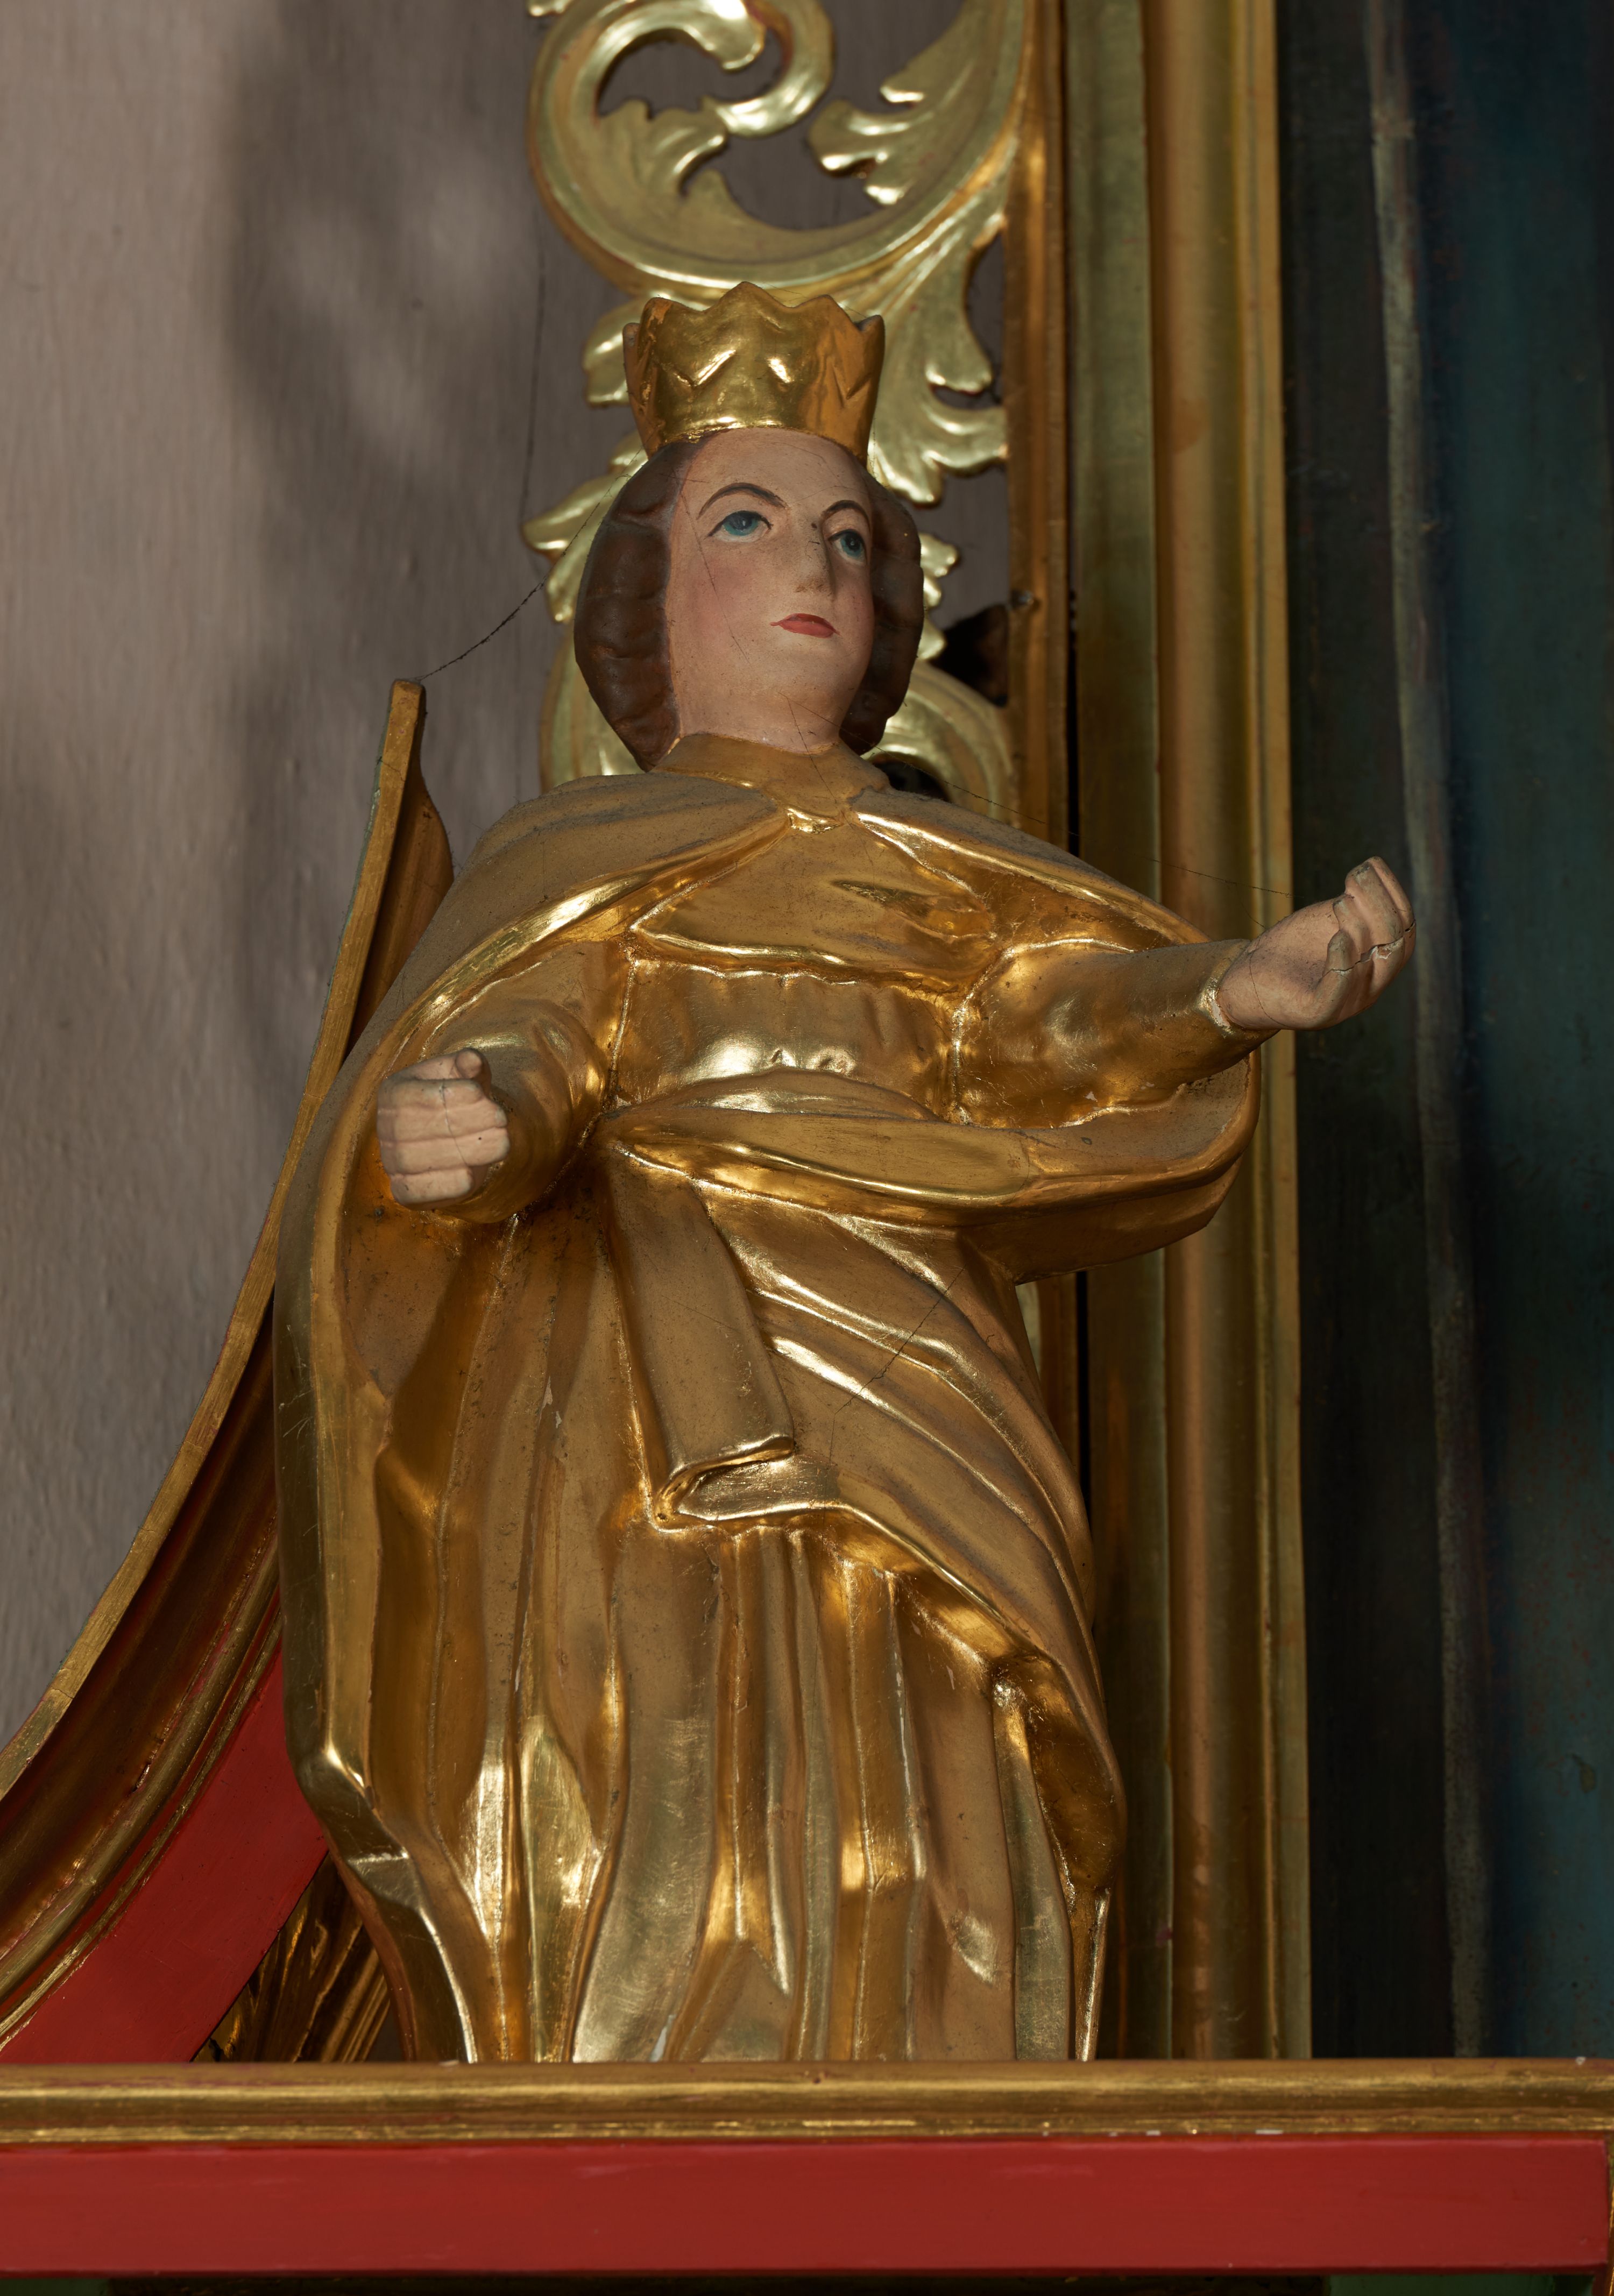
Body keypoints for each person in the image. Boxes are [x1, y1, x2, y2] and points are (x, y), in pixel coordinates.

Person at [275, 284, 1413, 2064]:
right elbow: (544, 1035)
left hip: (924, 1363)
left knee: (952, 1699)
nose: (815, 561)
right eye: (748, 523)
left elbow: (1034, 1025)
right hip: (660, 1365)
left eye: (852, 537)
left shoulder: (939, 875)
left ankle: (940, 2070)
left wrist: (1222, 993)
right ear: (647, 597)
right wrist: (476, 1114)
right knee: (692, 1716)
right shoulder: (572, 859)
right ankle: (687, 2075)